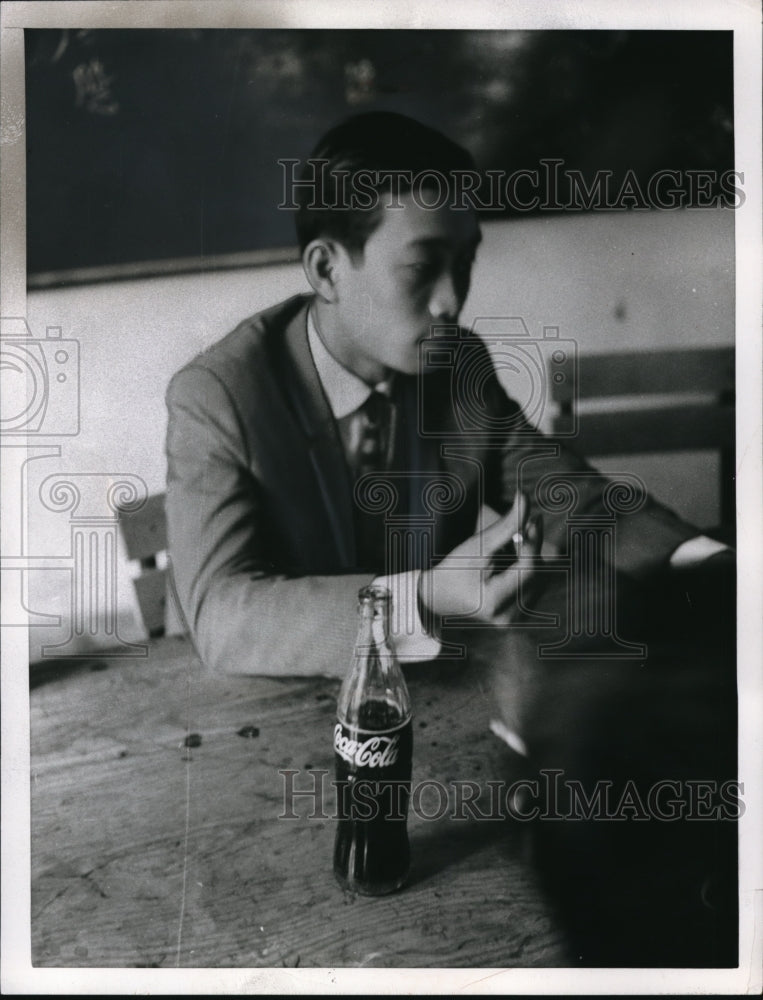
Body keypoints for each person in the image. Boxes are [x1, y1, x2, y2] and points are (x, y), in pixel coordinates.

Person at [165, 111, 727, 679]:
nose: (451, 301)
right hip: (254, 711)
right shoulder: (218, 397)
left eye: (465, 263)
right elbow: (221, 615)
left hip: (437, 695)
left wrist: (714, 566)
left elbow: (568, 496)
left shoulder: (459, 364)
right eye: (422, 267)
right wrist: (423, 597)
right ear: (327, 269)